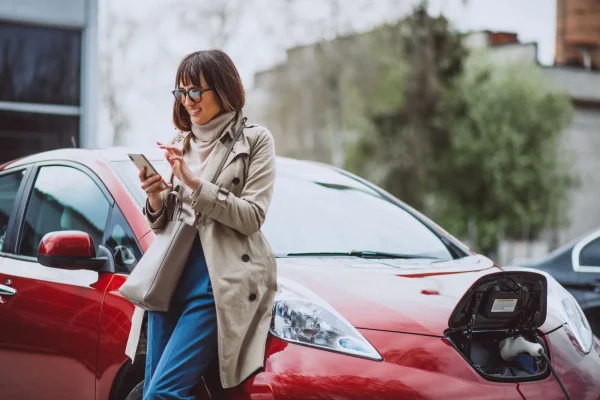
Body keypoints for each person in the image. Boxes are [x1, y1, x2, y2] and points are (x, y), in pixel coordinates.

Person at [125, 49, 278, 399]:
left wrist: (194, 182)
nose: (188, 101)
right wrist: (155, 197)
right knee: (153, 391)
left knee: (161, 394)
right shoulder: (181, 142)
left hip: (216, 281)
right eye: (181, 92)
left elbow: (253, 216)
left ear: (223, 90)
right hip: (168, 278)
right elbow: (166, 225)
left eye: (196, 91)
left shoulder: (255, 140)